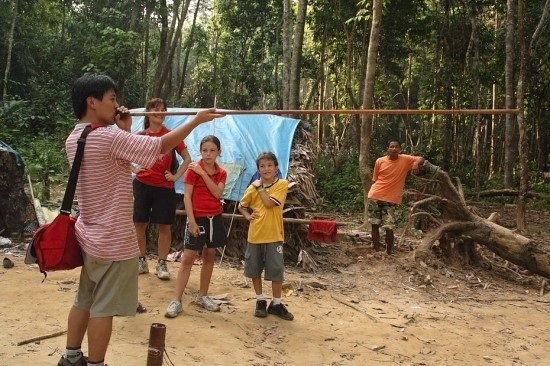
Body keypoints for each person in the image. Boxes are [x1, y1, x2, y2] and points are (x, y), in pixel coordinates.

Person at [57, 73, 223, 366]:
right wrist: (197, 121)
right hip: (113, 240)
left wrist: (123, 129)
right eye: (112, 99)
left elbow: (123, 156)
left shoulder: (75, 137)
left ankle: (71, 357)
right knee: (102, 309)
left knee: (84, 299)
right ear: (92, 102)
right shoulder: (109, 137)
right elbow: (157, 148)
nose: (117, 105)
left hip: (89, 234)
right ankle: (96, 363)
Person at [165, 135, 227, 318]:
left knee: (209, 255)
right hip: (196, 218)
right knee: (187, 259)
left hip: (214, 218)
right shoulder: (192, 170)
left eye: (212, 150)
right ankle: (176, 300)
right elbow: (187, 197)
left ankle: (203, 295)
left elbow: (217, 193)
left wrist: (203, 173)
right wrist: (191, 221)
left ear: (218, 153)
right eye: (205, 150)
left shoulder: (221, 172)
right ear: (200, 151)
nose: (208, 154)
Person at [133, 97, 191, 280]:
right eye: (155, 109)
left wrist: (175, 176)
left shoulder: (171, 136)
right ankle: (141, 261)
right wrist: (134, 169)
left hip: (165, 187)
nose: (160, 112)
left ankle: (161, 263)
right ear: (148, 112)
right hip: (142, 185)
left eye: (163, 109)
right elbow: (122, 153)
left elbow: (187, 158)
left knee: (164, 226)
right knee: (139, 224)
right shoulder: (141, 136)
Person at [238, 152, 293, 321]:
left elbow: (269, 204)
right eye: (262, 166)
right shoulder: (252, 188)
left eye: (270, 165)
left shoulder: (282, 184)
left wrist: (259, 187)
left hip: (274, 235)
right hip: (255, 235)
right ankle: (260, 300)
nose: (266, 169)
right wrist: (248, 216)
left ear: (276, 168)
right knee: (254, 270)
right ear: (258, 169)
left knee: (276, 272)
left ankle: (276, 303)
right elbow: (242, 205)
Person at [367, 139, 425, 255]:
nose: (394, 149)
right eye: (391, 146)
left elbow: (421, 158)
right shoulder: (380, 161)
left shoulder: (405, 159)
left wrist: (415, 163)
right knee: (375, 224)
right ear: (387, 149)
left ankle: (388, 253)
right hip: (375, 196)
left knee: (389, 227)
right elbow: (375, 180)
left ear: (400, 149)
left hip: (390, 199)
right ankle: (377, 251)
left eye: (396, 147)